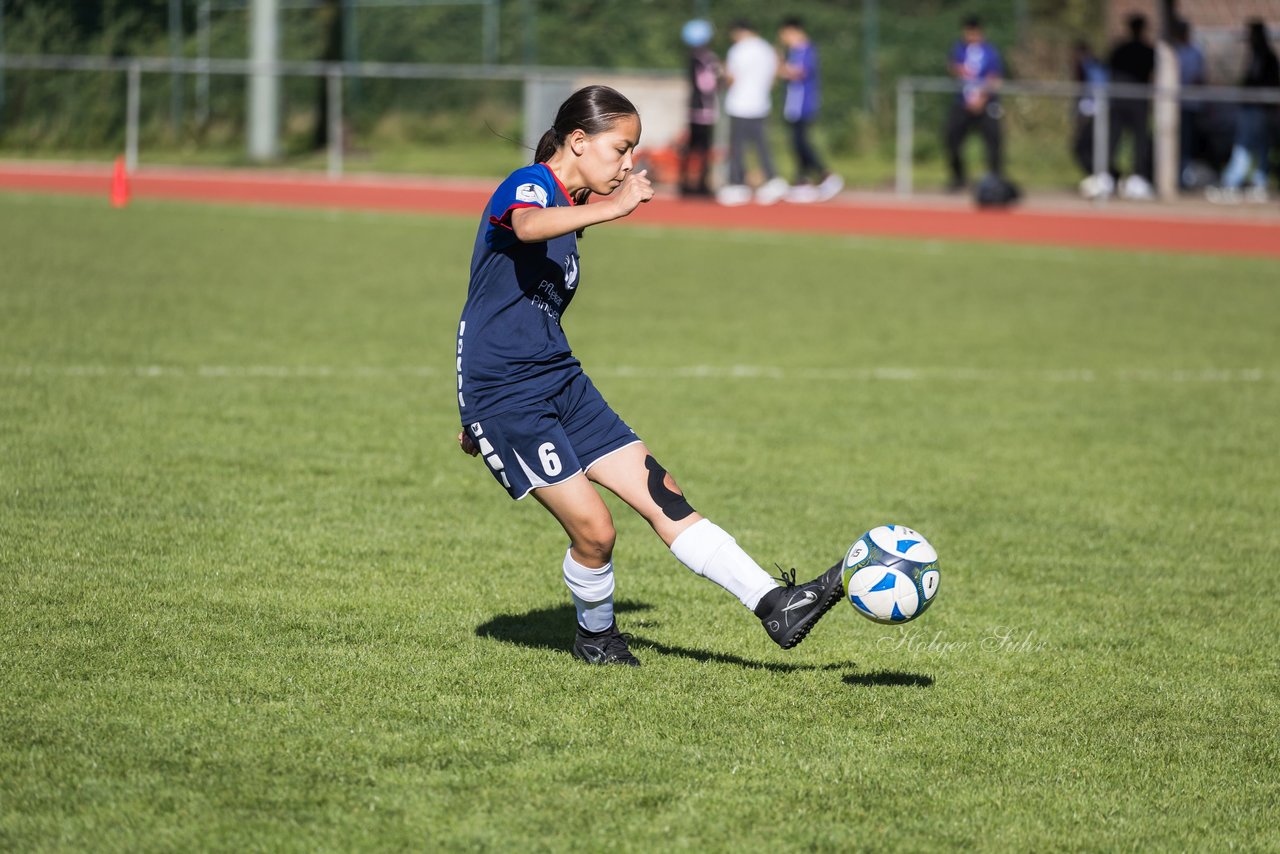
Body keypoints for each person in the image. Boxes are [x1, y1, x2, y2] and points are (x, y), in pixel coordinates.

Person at [456, 85, 844, 667]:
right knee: (596, 532)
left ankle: (776, 604)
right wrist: (480, 415)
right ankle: (597, 639)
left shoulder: (572, 217)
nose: (629, 162)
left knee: (664, 494)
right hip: (508, 394)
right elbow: (527, 224)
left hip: (559, 379)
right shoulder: (530, 183)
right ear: (578, 141)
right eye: (621, 148)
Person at [717, 19, 789, 206]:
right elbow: (774, 78)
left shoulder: (738, 50)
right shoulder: (767, 49)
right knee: (762, 146)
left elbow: (731, 77)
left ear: (739, 32)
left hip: (740, 104)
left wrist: (723, 74)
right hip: (761, 104)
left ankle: (737, 184)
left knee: (737, 147)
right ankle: (772, 179)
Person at [1208, 19, 1279, 203]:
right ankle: (1257, 181)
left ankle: (1236, 182)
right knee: (1256, 145)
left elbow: (1259, 81)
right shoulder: (1258, 54)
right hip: (1255, 108)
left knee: (1245, 146)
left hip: (1258, 108)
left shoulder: (1264, 56)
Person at [777, 16, 843, 202]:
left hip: (803, 105)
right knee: (796, 143)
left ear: (793, 31)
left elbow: (799, 72)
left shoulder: (805, 49)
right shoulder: (794, 51)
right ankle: (802, 181)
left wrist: (780, 65)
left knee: (802, 143)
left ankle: (826, 175)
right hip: (793, 105)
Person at [944, 15, 1005, 193]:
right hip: (962, 102)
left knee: (993, 140)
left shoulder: (990, 52)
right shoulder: (959, 49)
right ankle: (958, 177)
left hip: (985, 103)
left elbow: (995, 77)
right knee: (952, 138)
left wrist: (982, 98)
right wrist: (958, 69)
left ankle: (996, 180)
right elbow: (953, 66)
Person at [1107, 13, 1156, 200]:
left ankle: (1135, 177)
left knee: (1134, 141)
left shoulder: (1124, 49)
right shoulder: (1140, 50)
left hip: (1127, 101)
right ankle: (1115, 176)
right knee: (1117, 139)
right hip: (1131, 102)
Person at [679, 18, 721, 198]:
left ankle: (687, 183)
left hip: (696, 109)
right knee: (701, 149)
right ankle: (699, 185)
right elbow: (707, 85)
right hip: (703, 110)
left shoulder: (694, 58)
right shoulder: (704, 59)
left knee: (693, 148)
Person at [1072, 39, 1113, 199]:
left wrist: (1088, 110)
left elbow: (1097, 90)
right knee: (1082, 148)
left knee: (1087, 148)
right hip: (1088, 112)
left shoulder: (1093, 66)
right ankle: (1103, 176)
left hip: (1096, 113)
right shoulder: (1083, 67)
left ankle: (1105, 177)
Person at [1172, 18, 1208, 188]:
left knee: (1187, 142)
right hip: (1174, 106)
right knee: (1175, 143)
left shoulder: (1195, 52)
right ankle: (1175, 176)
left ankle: (1184, 177)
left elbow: (1198, 78)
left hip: (1191, 105)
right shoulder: (1173, 52)